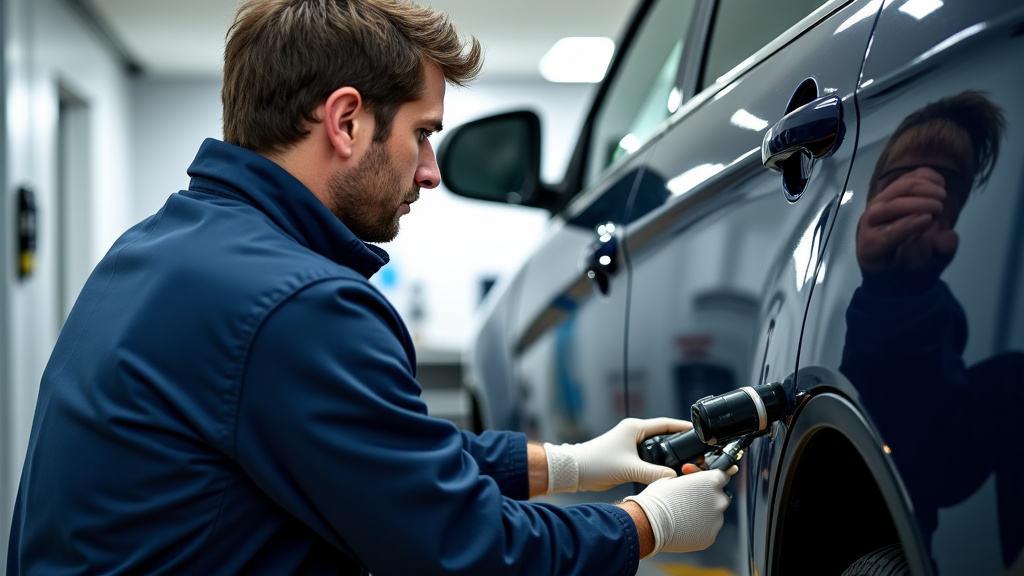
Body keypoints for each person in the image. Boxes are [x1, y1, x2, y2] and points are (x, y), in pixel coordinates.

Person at [6, 1, 735, 574]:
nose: (430, 171)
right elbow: (463, 549)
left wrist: (572, 464)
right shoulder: (299, 306)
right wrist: (648, 525)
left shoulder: (159, 249)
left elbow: (372, 454)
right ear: (347, 121)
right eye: (422, 134)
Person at [840, 90, 1022, 569]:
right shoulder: (882, 305)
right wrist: (890, 287)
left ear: (958, 205)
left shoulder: (945, 311)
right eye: (903, 180)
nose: (923, 192)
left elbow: (931, 434)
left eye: (944, 184)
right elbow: (871, 395)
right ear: (876, 193)